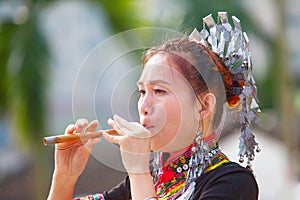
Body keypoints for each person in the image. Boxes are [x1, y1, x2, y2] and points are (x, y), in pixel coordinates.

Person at [47, 13, 260, 200]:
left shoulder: (233, 182)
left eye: (159, 91)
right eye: (142, 92)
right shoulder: (149, 180)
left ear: (203, 106)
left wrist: (138, 171)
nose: (144, 106)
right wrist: (64, 178)